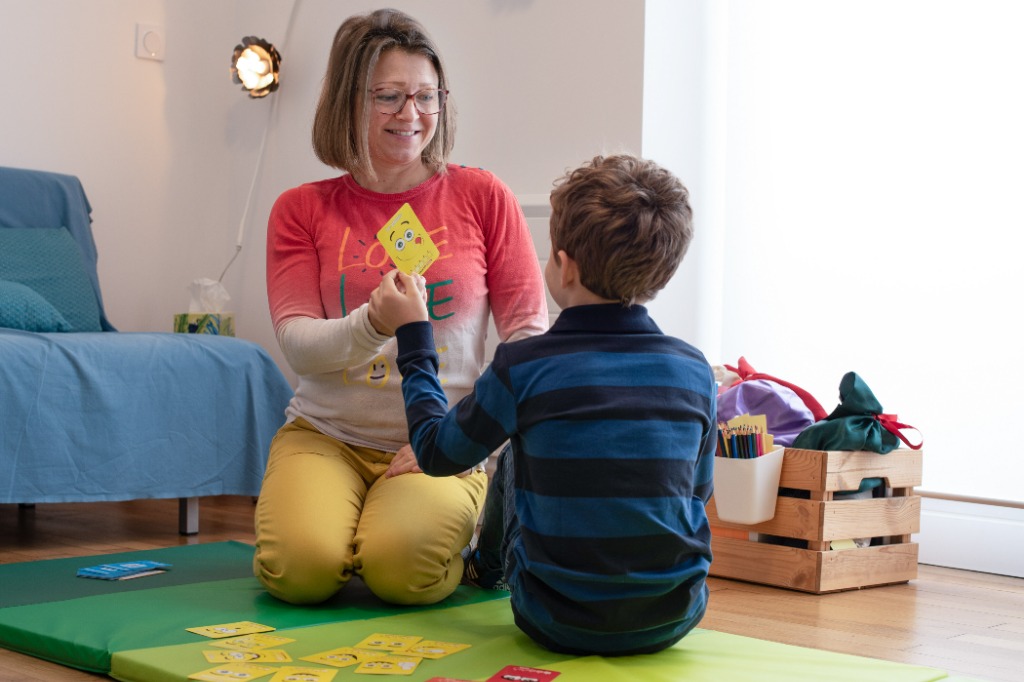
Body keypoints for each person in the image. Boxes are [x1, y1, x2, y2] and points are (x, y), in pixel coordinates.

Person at [254, 7, 548, 607]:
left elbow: (527, 338)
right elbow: (301, 348)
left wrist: (466, 438)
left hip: (446, 438)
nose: (410, 115)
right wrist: (374, 323)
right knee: (300, 571)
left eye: (425, 95)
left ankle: (434, 527)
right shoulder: (299, 209)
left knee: (402, 575)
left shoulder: (483, 196)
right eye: (388, 96)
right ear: (345, 102)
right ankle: (352, 528)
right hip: (326, 433)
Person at [372, 153, 717, 656]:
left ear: (564, 265)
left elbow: (434, 452)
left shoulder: (525, 365)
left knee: (515, 451)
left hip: (553, 618)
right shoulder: (695, 371)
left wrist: (414, 332)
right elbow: (696, 492)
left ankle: (484, 570)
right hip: (674, 616)